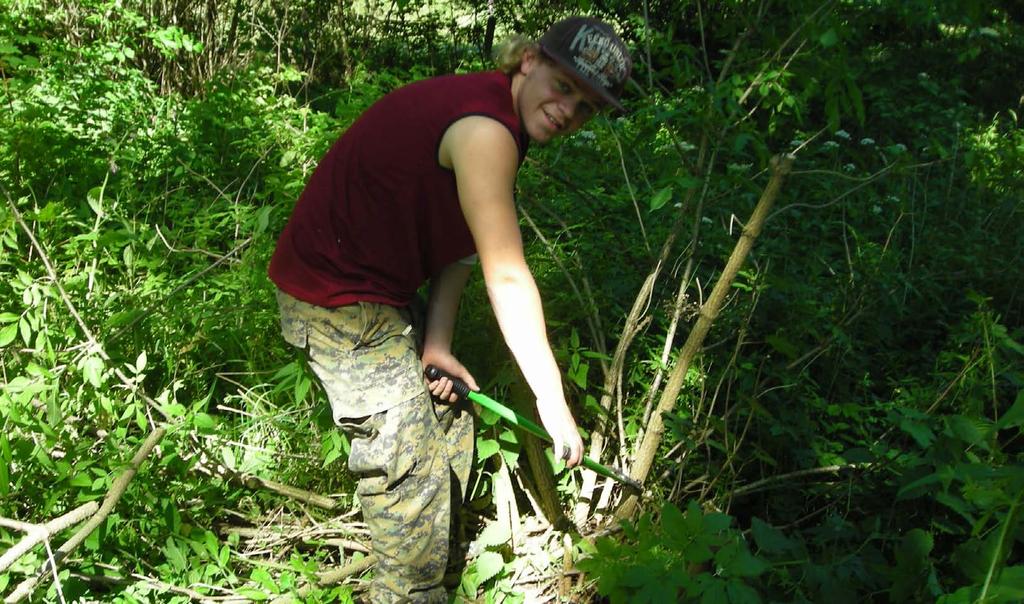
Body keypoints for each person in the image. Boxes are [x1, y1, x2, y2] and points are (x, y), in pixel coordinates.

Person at [268, 15, 631, 603]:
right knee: (408, 474)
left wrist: (435, 343)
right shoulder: (486, 129)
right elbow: (506, 275)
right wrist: (552, 400)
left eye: (586, 106)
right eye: (565, 87)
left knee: (449, 413)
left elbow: (459, 250)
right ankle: (411, 588)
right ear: (530, 60)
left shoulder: (498, 115)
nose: (568, 112)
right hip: (335, 295)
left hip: (375, 288)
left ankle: (444, 563)